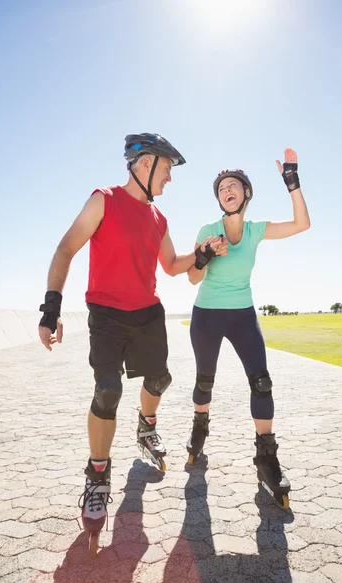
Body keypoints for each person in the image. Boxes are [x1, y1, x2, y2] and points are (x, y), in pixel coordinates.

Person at [38, 133, 225, 554]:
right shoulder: (103, 200)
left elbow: (174, 266)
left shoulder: (158, 218)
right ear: (145, 164)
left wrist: (204, 254)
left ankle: (147, 428)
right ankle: (98, 476)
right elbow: (66, 249)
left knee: (159, 379)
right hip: (105, 314)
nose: (170, 179)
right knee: (108, 391)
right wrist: (51, 310)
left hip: (147, 314)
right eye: (168, 169)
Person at [186, 148, 310, 509]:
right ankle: (199, 427)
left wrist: (292, 181)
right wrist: (204, 256)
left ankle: (267, 459)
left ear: (245, 194)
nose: (227, 189)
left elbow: (302, 224)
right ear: (219, 197)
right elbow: (193, 278)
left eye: (233, 185)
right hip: (206, 315)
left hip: (242, 315)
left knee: (262, 381)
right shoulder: (207, 230)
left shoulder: (256, 230)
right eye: (222, 186)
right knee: (204, 382)